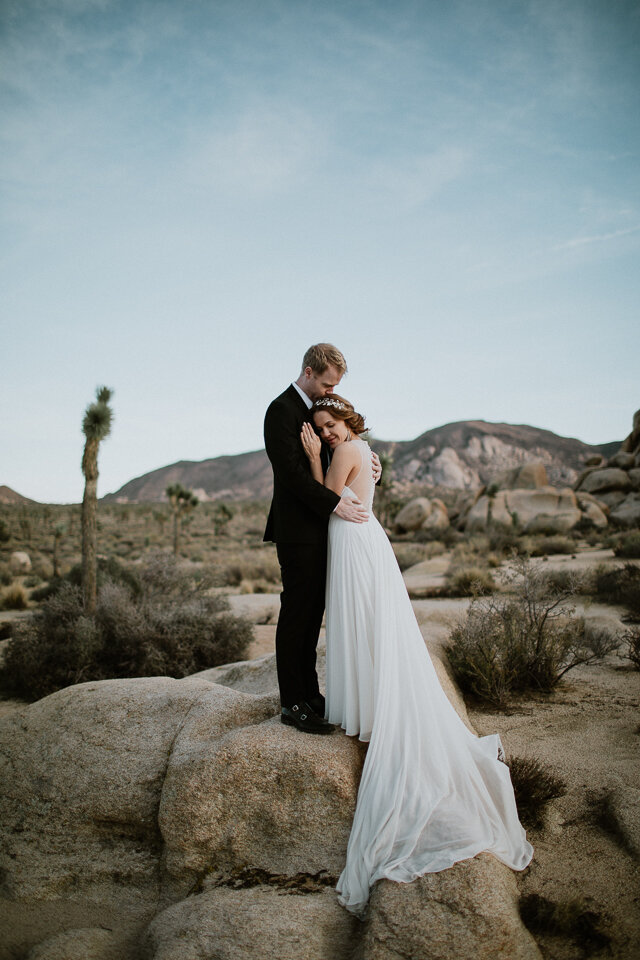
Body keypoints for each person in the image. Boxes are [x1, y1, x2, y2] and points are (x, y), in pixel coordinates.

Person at [300, 394, 533, 915]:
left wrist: (315, 456)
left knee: (362, 626)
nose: (328, 431)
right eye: (320, 426)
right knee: (369, 627)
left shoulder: (342, 452)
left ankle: (366, 711)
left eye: (332, 424)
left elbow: (323, 497)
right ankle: (368, 705)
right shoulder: (364, 448)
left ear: (346, 421)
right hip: (364, 543)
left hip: (354, 544)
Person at [263, 343, 380, 735]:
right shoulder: (281, 411)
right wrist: (334, 505)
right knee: (297, 613)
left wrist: (369, 463)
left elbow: (341, 459)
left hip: (325, 529)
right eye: (327, 384)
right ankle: (292, 702)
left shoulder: (318, 413)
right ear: (309, 372)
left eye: (336, 387)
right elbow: (292, 477)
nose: (330, 391)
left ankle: (311, 696)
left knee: (313, 615)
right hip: (297, 531)